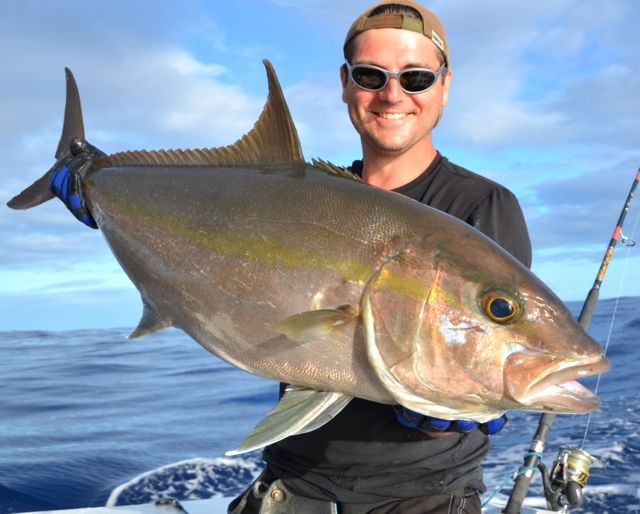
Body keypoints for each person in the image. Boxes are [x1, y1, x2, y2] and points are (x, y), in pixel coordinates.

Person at [50, 1, 532, 512]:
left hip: (419, 498)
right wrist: (111, 205)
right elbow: (223, 269)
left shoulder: (482, 206)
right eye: (371, 75)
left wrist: (454, 412)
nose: (393, 94)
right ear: (346, 83)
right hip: (291, 485)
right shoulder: (298, 195)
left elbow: (490, 346)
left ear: (444, 85)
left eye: (415, 78)